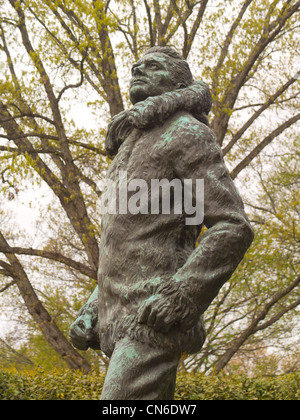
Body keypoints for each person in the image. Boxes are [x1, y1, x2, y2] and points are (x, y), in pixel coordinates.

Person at [69, 46, 254, 400]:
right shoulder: (129, 145)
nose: (137, 70)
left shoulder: (186, 133)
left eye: (151, 66)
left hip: (153, 314)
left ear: (178, 81)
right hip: (121, 316)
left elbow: (232, 226)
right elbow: (126, 247)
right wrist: (95, 307)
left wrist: (181, 294)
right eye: (135, 66)